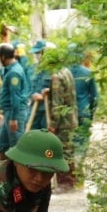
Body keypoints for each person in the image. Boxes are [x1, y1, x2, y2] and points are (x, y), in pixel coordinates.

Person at [40, 47, 79, 192]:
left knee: (62, 151)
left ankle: (66, 183)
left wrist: (52, 125)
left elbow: (57, 104)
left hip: (63, 122)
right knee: (69, 150)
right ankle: (72, 180)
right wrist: (49, 91)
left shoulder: (56, 76)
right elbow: (65, 93)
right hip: (72, 119)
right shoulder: (66, 71)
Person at [68, 44, 99, 172]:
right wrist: (91, 112)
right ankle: (79, 171)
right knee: (82, 143)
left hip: (68, 114)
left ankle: (70, 172)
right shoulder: (87, 73)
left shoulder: (64, 72)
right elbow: (95, 97)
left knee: (69, 143)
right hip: (84, 112)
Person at [0, 43, 29, 156]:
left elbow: (16, 97)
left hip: (15, 113)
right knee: (3, 144)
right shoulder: (10, 70)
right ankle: (5, 171)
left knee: (16, 146)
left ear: (3, 57)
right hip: (8, 113)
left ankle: (19, 172)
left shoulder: (14, 73)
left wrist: (13, 119)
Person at [26, 40, 54, 131]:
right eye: (36, 53)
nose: (37, 55)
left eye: (39, 52)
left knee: (46, 137)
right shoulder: (31, 69)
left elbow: (59, 90)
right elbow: (27, 88)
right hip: (34, 110)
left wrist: (48, 92)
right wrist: (32, 95)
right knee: (31, 134)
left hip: (48, 110)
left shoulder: (53, 69)